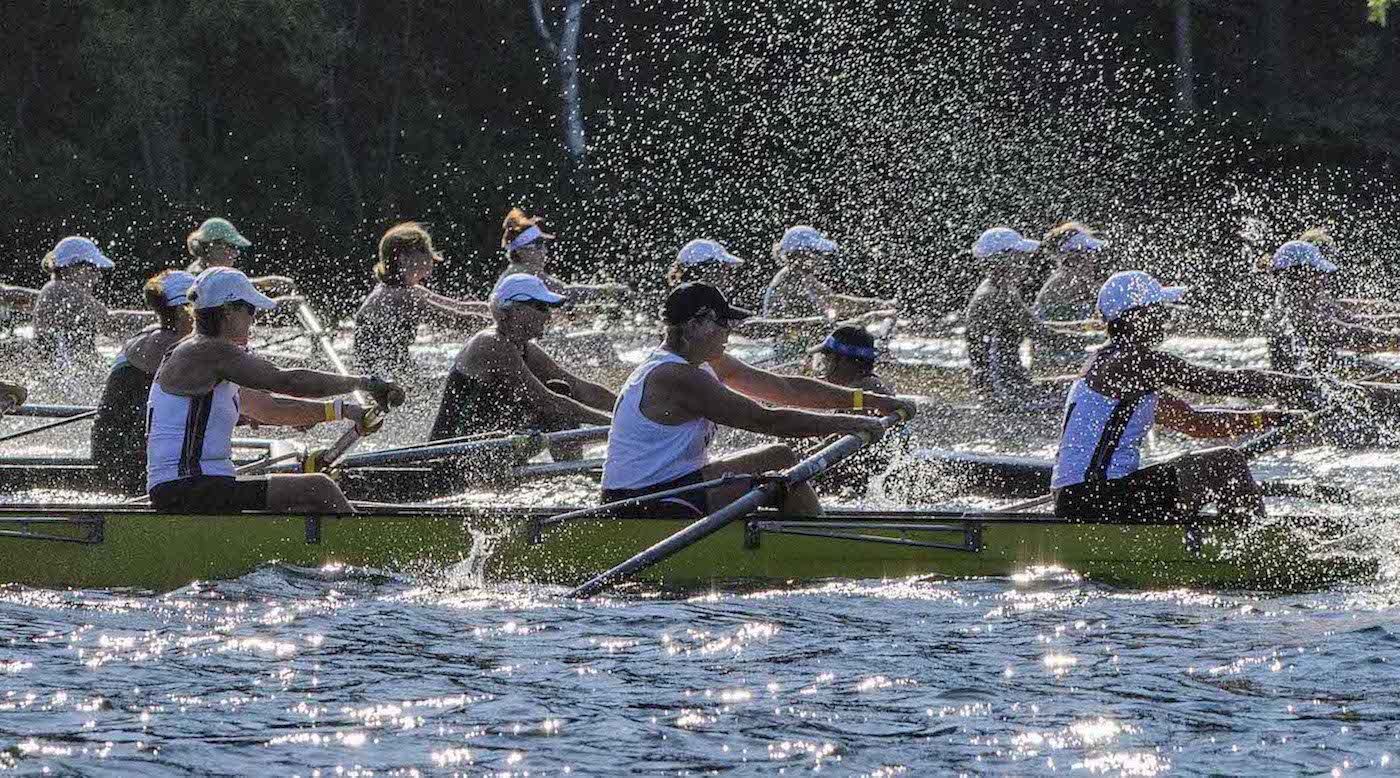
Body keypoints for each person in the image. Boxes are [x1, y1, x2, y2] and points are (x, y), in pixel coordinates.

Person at [600, 282, 915, 518]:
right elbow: (766, 419)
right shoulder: (675, 376)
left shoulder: (706, 361)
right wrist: (856, 423)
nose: (729, 333)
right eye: (724, 323)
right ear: (696, 325)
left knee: (777, 460)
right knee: (778, 457)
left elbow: (786, 390)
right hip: (641, 504)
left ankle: (808, 528)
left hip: (670, 487)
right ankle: (820, 541)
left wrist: (869, 400)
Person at [1051, 271, 1316, 521]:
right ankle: (1250, 545)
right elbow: (1218, 382)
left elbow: (1196, 423)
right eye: (1158, 311)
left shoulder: (1114, 367)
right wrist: (1304, 385)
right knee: (1227, 462)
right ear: (1136, 317)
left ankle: (1237, 535)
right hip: (1095, 498)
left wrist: (1270, 419)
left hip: (1082, 498)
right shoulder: (1131, 362)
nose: (1164, 318)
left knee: (1217, 462)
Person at [146, 267, 405, 514]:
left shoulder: (196, 353)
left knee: (303, 492)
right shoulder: (209, 352)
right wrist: (366, 383)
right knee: (318, 488)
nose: (254, 317)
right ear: (227, 312)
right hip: (187, 489)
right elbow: (288, 382)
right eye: (250, 309)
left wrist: (346, 410)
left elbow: (269, 408)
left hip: (187, 487)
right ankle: (362, 555)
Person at [428, 274, 615, 458]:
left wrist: (629, 408)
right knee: (557, 405)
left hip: (492, 445)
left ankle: (573, 469)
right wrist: (615, 424)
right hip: (452, 454)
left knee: (562, 388)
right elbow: (546, 401)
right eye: (541, 307)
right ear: (515, 309)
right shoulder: (490, 344)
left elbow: (580, 389)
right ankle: (573, 473)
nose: (548, 315)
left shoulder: (525, 348)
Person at [91, 270, 197, 494]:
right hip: (131, 460)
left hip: (110, 453)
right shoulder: (176, 347)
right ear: (181, 311)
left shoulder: (146, 335)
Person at [964, 227, 1087, 411]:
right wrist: (1100, 344)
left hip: (1001, 387)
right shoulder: (999, 296)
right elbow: (1045, 336)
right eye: (1019, 257)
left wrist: (1086, 332)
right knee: (1087, 391)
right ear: (1001, 261)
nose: (1025, 262)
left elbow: (1034, 326)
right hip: (1006, 394)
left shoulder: (992, 289)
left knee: (1077, 386)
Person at [352, 222, 490, 377]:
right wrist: (504, 324)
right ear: (403, 259)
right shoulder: (398, 297)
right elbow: (457, 319)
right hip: (378, 378)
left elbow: (460, 306)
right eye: (424, 250)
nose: (431, 256)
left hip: (393, 369)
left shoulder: (405, 290)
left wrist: (498, 308)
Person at [1266, 237, 1400, 378]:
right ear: (1302, 274)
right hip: (1308, 388)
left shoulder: (1303, 302)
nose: (1325, 277)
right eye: (1319, 272)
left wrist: (1393, 324)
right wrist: (1393, 339)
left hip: (1319, 377)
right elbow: (1350, 334)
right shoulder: (1294, 312)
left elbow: (1354, 320)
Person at [32, 236, 154, 363]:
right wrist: (161, 317)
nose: (97, 275)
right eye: (93, 268)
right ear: (72, 267)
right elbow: (111, 323)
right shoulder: (65, 290)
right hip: (59, 373)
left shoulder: (55, 289)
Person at [760, 225, 896, 321]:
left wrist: (877, 304)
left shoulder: (803, 277)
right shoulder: (790, 281)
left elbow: (834, 300)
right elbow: (827, 309)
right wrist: (871, 313)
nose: (820, 258)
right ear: (799, 255)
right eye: (816, 253)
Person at [499, 208, 631, 301]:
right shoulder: (522, 275)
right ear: (521, 251)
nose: (544, 251)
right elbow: (566, 292)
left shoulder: (521, 271)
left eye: (544, 245)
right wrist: (607, 291)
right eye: (538, 246)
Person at [185, 217, 297, 297]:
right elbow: (228, 313)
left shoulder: (208, 272)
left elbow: (232, 285)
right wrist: (280, 305)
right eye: (232, 247)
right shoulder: (198, 276)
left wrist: (267, 283)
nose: (236, 253)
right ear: (214, 246)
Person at [1032, 222, 1111, 322]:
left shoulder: (1086, 283)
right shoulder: (1060, 286)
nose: (1092, 259)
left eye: (1093, 254)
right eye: (1087, 254)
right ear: (1070, 259)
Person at [808, 325, 893, 394]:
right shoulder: (869, 384)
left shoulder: (859, 393)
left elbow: (856, 413)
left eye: (827, 359)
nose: (824, 366)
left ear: (843, 361)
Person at [666, 239, 746, 288]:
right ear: (701, 270)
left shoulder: (683, 297)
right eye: (723, 265)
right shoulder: (701, 304)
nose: (727, 272)